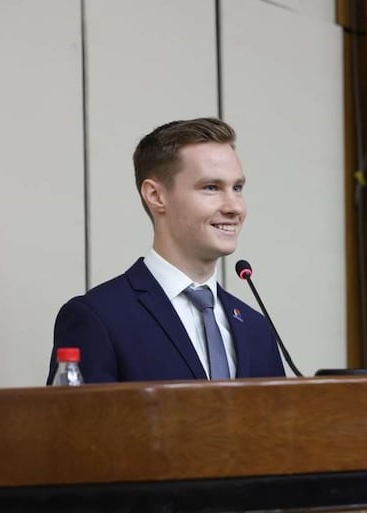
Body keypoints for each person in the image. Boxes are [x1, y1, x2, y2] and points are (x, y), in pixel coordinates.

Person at [46, 118, 285, 383]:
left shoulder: (256, 328)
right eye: (211, 188)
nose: (235, 207)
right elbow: (78, 424)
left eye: (237, 188)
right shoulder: (98, 319)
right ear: (156, 196)